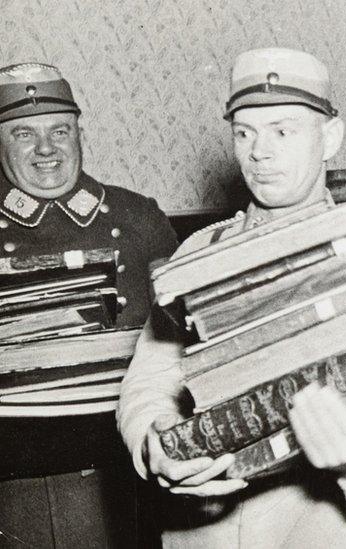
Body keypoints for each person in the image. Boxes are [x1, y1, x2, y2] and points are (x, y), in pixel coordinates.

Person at [116, 47, 346, 547]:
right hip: (204, 529)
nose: (259, 151)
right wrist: (155, 440)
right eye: (244, 133)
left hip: (328, 529)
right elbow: (150, 379)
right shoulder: (200, 252)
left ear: (330, 138)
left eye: (283, 131)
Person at [0, 62, 178, 548]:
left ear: (80, 132)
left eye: (59, 130)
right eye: (22, 134)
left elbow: (180, 348)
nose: (45, 149)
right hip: (16, 474)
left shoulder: (138, 217)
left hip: (129, 457)